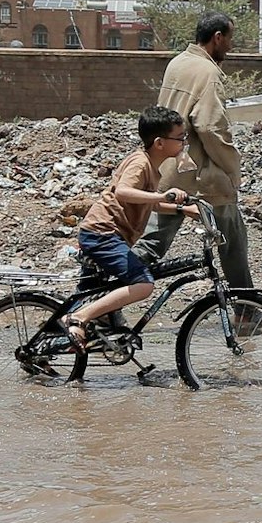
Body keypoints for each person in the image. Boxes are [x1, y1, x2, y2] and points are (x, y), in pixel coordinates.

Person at [137, 10, 254, 291]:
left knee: (154, 239)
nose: (230, 45)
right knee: (231, 235)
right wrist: (231, 170)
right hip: (199, 172)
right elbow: (211, 127)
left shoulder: (177, 63)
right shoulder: (209, 72)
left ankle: (111, 286)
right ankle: (246, 307)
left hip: (168, 166)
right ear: (216, 38)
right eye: (229, 38)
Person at [66, 106, 200, 348]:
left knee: (88, 295)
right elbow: (124, 192)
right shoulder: (140, 163)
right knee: (143, 284)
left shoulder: (151, 166)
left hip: (104, 234)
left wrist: (182, 210)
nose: (184, 143)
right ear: (160, 143)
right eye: (180, 138)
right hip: (102, 234)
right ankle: (79, 318)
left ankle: (50, 346)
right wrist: (162, 197)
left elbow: (147, 204)